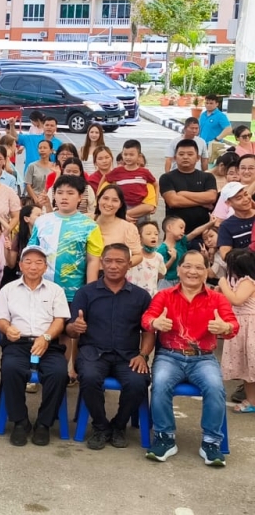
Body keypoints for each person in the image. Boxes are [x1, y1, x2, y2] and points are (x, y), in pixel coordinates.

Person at [142, 250, 238, 465]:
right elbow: (147, 317)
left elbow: (233, 325)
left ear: (206, 272)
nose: (192, 271)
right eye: (187, 266)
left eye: (198, 267)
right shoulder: (164, 295)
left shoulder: (217, 299)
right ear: (179, 269)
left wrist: (225, 327)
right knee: (159, 384)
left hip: (203, 358)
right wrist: (155, 323)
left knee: (215, 388)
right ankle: (164, 437)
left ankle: (211, 441)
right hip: (169, 355)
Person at [68, 244, 154, 450]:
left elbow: (149, 331)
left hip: (128, 355)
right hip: (93, 352)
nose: (113, 266)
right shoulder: (86, 293)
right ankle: (100, 426)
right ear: (101, 263)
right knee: (88, 377)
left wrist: (143, 355)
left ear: (129, 265)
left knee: (138, 381)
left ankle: (118, 425)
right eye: (108, 261)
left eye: (119, 261)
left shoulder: (141, 296)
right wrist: (75, 327)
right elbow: (70, 331)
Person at [0, 245, 71, 446]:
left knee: (58, 373)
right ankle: (20, 421)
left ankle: (44, 423)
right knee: (10, 369)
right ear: (20, 265)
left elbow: (60, 321)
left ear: (45, 267)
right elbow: (0, 318)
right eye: (28, 261)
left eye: (38, 262)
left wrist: (45, 337)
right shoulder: (8, 289)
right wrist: (7, 329)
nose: (33, 266)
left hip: (48, 342)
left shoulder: (56, 290)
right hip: (17, 343)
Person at [218, 248, 255, 414]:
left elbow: (237, 300)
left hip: (250, 326)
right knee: (247, 369)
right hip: (242, 326)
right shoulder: (241, 281)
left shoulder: (248, 281)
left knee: (252, 364)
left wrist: (223, 284)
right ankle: (251, 400)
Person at [160, 139, 219, 235]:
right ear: (175, 157)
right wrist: (202, 202)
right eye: (181, 154)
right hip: (175, 234)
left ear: (198, 158)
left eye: (190, 154)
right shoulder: (166, 178)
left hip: (204, 233)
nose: (185, 157)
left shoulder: (207, 177)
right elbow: (173, 201)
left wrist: (183, 194)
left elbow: (211, 197)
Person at [98, 140, 157, 222]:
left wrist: (155, 203)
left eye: (131, 154)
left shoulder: (145, 172)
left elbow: (156, 184)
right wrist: (98, 195)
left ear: (139, 156)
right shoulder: (117, 171)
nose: (128, 157)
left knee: (142, 231)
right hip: (123, 205)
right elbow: (105, 178)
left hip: (141, 207)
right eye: (125, 154)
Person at [95, 185, 143, 266]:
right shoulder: (84, 220)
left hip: (111, 275)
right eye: (105, 198)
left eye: (115, 200)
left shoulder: (128, 228)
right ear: (98, 199)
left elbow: (138, 256)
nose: (109, 203)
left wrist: (120, 266)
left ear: (120, 204)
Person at [217, 182, 254, 256]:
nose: (246, 199)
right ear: (228, 203)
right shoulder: (226, 226)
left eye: (246, 194)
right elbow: (225, 255)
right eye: (239, 198)